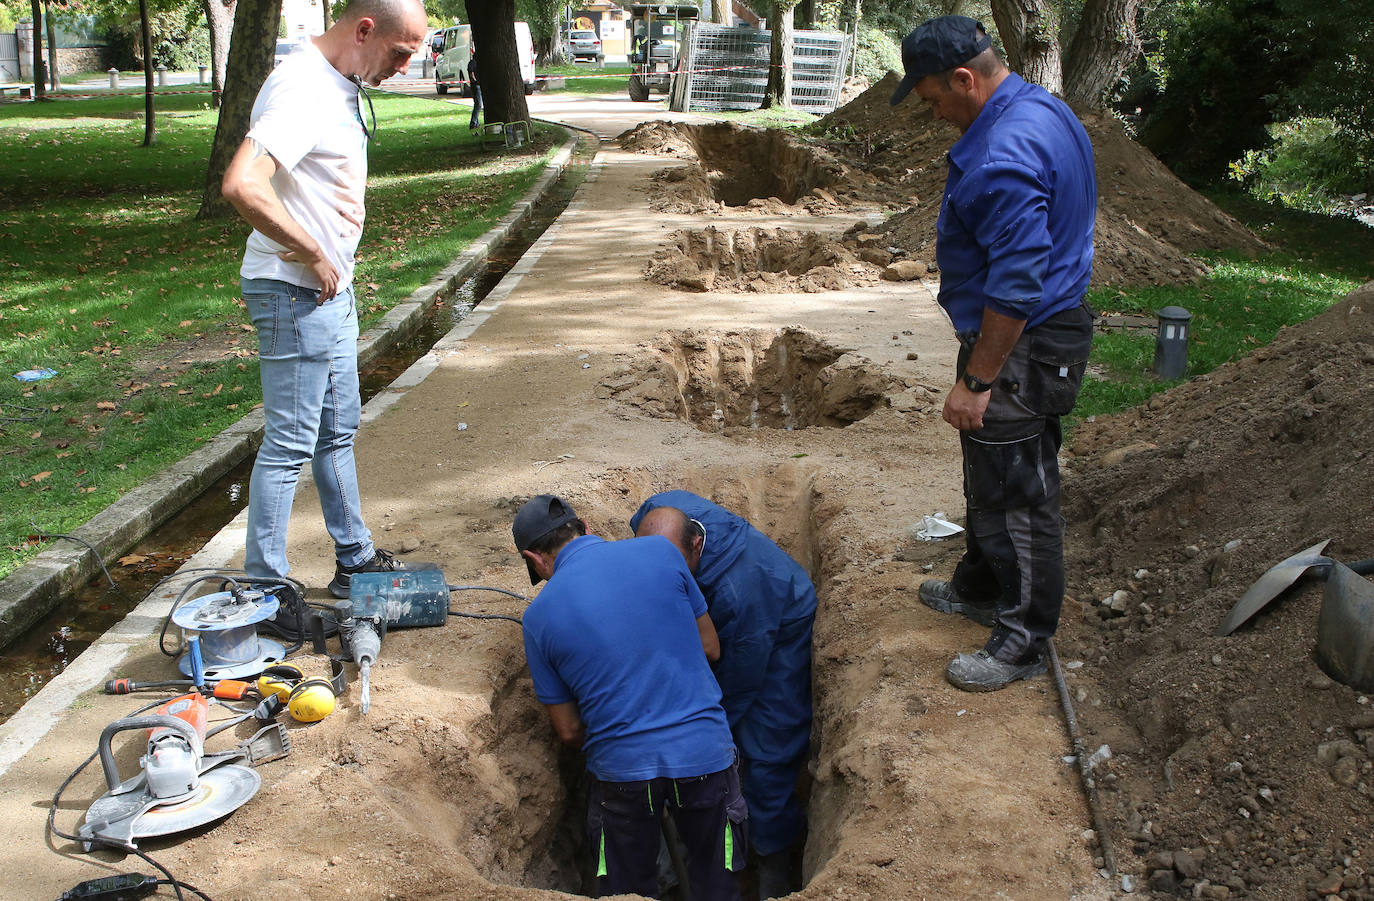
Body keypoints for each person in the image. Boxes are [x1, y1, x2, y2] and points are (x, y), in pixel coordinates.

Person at [890, 15, 1096, 691]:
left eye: (933, 101)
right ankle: (980, 582)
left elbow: (1017, 282)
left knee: (1018, 491)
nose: (935, 114)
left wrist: (980, 376)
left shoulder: (1005, 152)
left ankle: (1023, 639)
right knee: (989, 465)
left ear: (963, 79)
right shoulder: (1040, 108)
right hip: (1017, 337)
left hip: (1020, 343)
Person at [221, 0, 428, 599]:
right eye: (399, 53)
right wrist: (312, 249)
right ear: (364, 30)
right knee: (289, 441)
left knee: (337, 428)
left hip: (327, 294)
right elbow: (242, 183)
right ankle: (264, 591)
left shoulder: (336, 82)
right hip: (292, 294)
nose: (402, 68)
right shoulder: (304, 88)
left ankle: (354, 557)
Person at [513, 495, 748, 901]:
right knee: (718, 881)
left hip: (622, 773)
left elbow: (568, 731)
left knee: (626, 891)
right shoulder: (661, 551)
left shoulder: (538, 618)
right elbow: (711, 648)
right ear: (585, 526)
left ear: (535, 558)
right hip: (703, 755)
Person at [630, 492, 816, 898]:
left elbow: (739, 681)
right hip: (731, 609)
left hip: (778, 623)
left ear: (696, 545)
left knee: (768, 750)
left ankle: (773, 865)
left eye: (674, 569)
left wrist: (703, 742)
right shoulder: (656, 515)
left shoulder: (738, 590)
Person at [466, 46, 482, 130]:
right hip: (476, 86)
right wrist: (475, 81)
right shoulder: (473, 63)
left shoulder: (474, 62)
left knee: (477, 104)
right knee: (478, 104)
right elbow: (471, 73)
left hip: (477, 85)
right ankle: (473, 122)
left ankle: (476, 122)